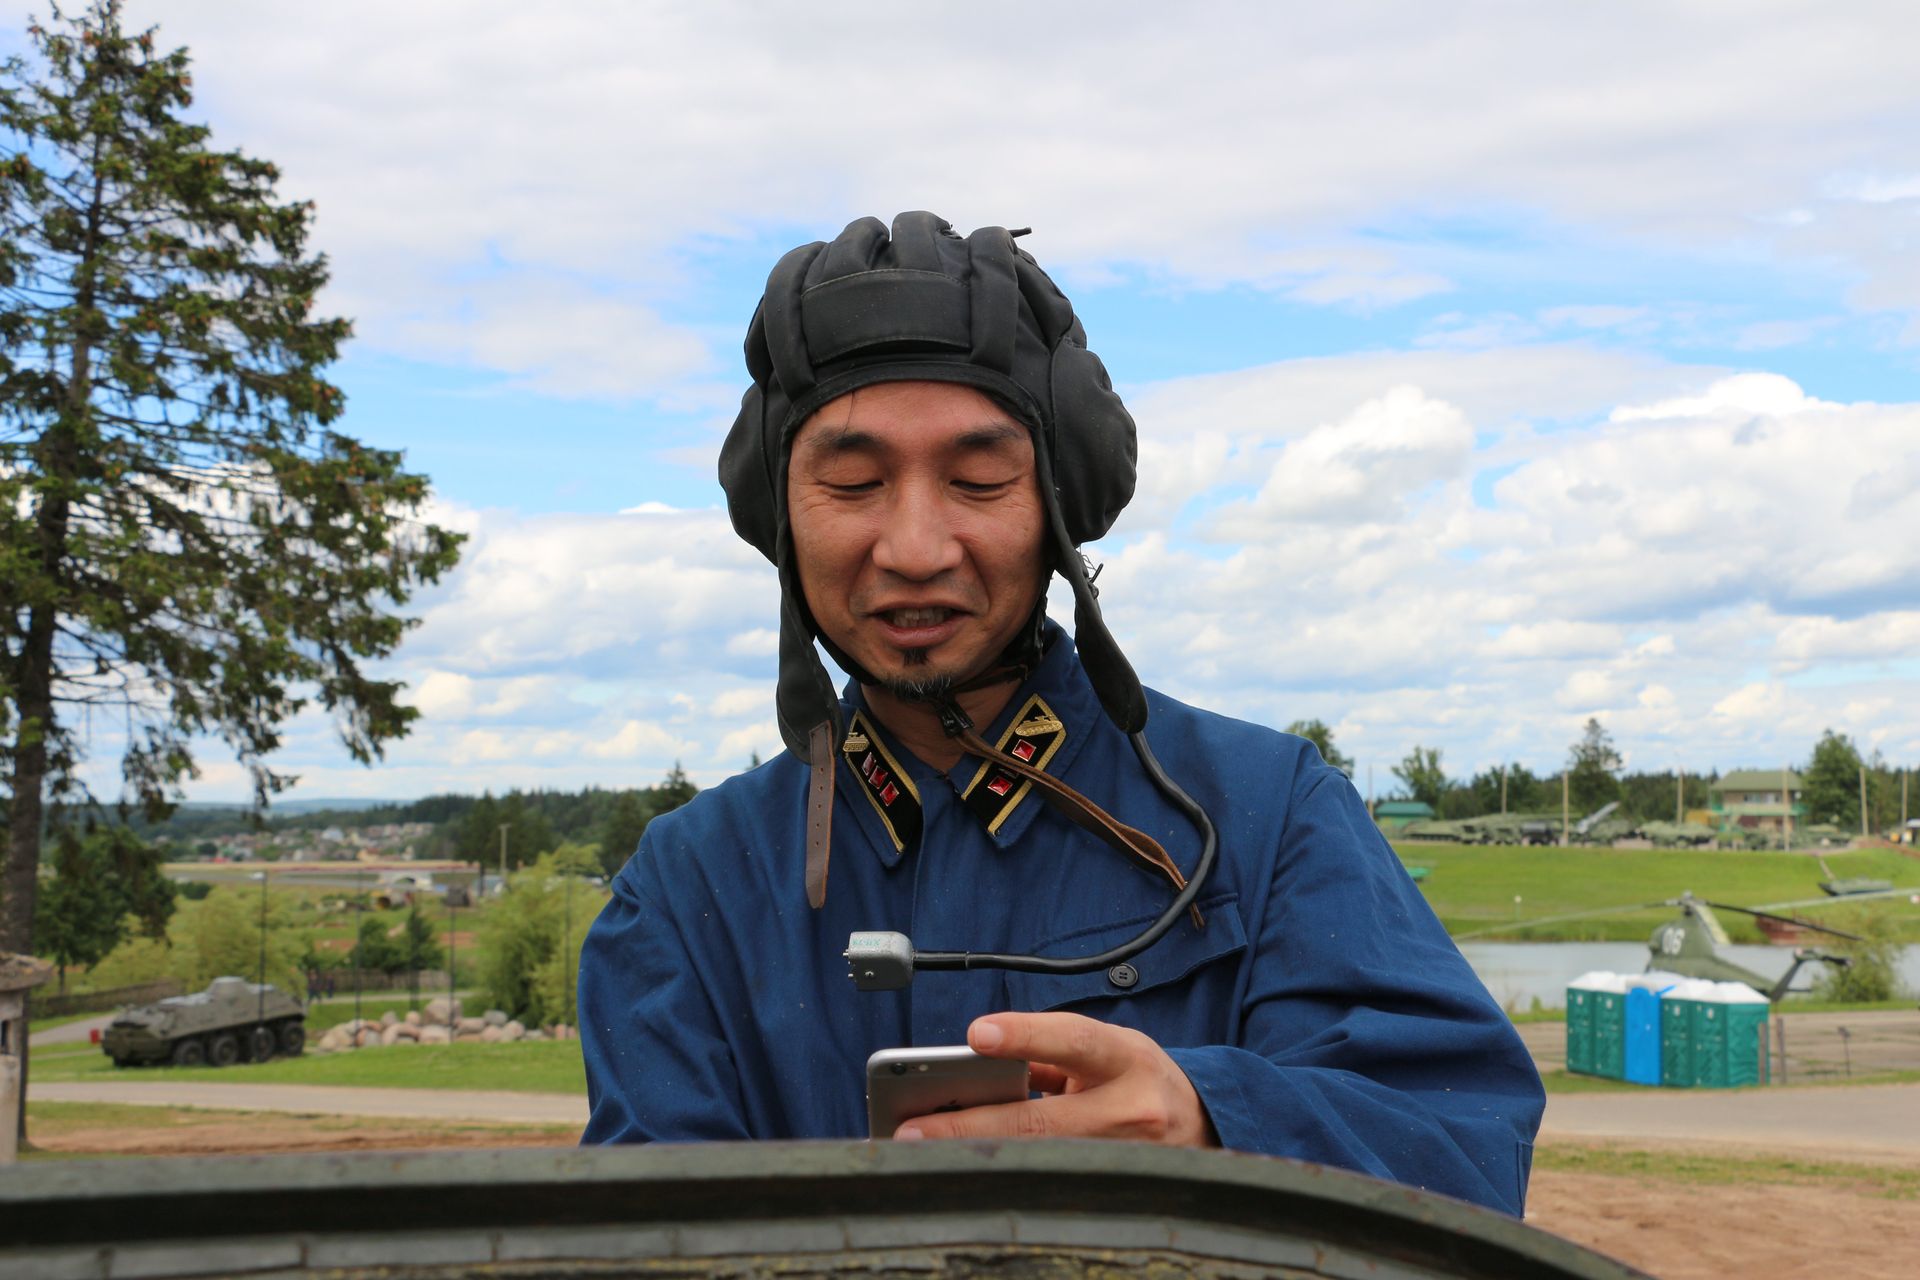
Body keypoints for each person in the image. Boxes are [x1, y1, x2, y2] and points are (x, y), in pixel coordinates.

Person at [578, 212, 1544, 1215]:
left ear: (1058, 495)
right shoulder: (684, 892)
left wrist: (1214, 1116)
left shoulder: (1274, 815)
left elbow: (1467, 1148)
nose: (915, 546)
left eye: (980, 477)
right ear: (777, 509)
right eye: (854, 481)